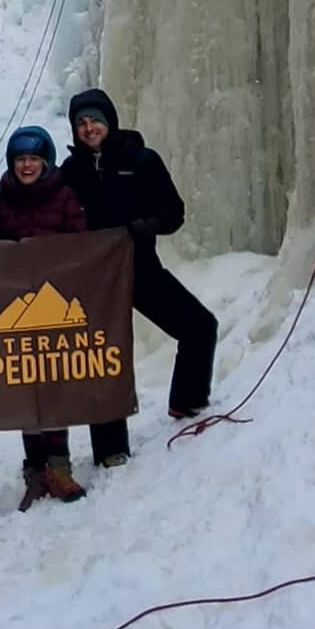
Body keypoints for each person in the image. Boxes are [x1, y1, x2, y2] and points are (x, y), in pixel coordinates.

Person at [61, 88, 217, 462]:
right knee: (102, 358)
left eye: (95, 120)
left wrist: (149, 225)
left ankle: (188, 404)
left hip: (139, 268)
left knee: (199, 326)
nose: (88, 128)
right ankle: (110, 449)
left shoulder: (142, 160)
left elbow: (174, 212)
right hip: (94, 280)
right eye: (81, 123)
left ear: (109, 122)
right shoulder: (70, 173)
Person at [0, 125, 99, 507]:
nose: (26, 166)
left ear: (45, 162)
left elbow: (82, 242)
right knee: (26, 388)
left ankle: (60, 465)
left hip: (55, 306)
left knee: (53, 387)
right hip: (18, 305)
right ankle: (35, 469)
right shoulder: (1, 198)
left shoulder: (65, 196)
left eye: (33, 159)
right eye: (20, 159)